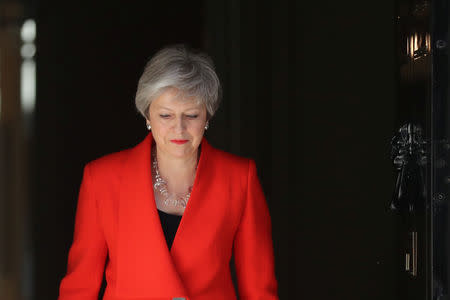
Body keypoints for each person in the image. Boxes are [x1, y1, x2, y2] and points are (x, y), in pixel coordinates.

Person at [58, 45, 278, 300]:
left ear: (207, 116)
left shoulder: (240, 179)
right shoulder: (102, 179)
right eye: (166, 115)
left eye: (192, 115)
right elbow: (79, 288)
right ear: (147, 114)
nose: (179, 128)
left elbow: (259, 290)